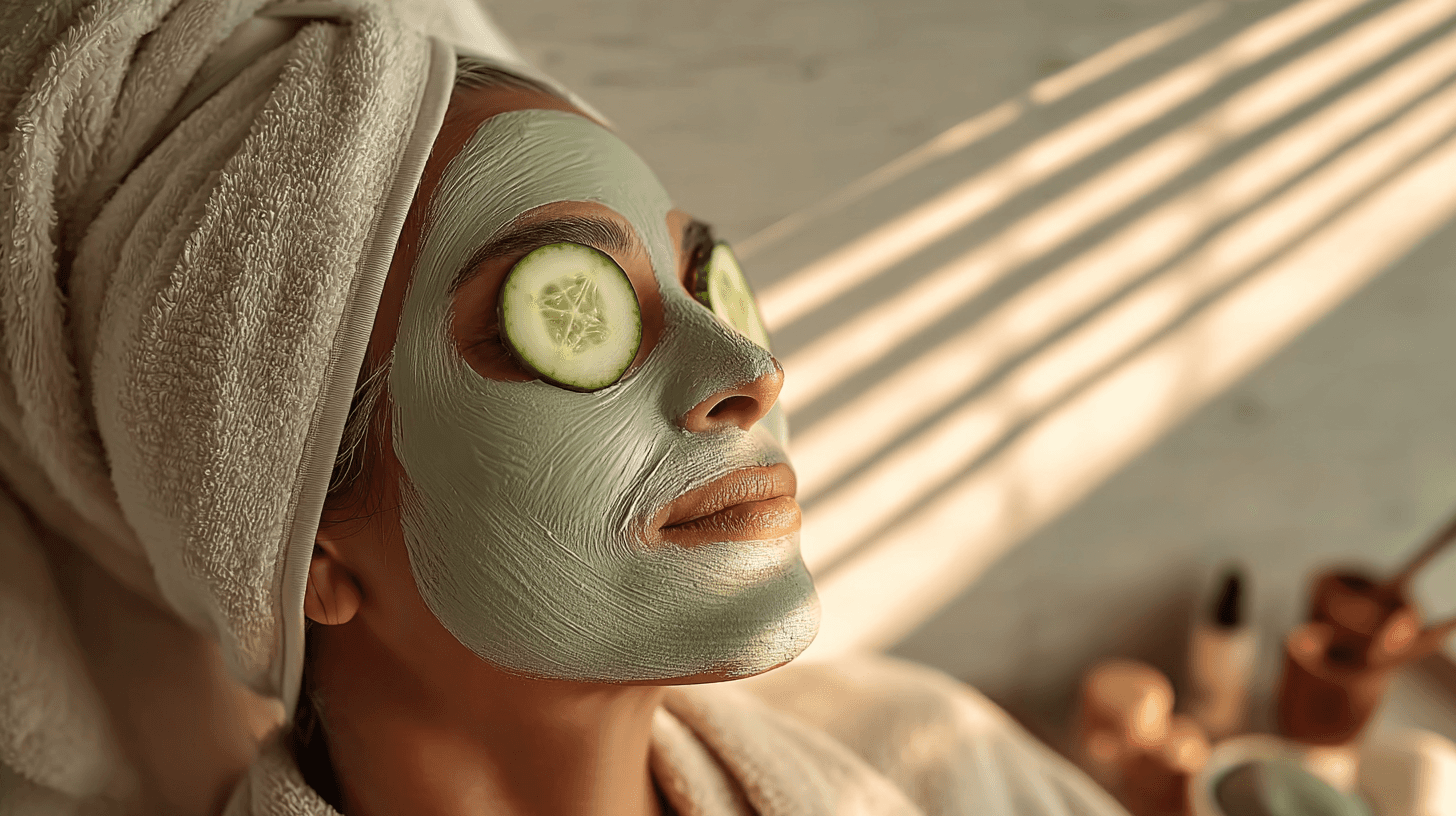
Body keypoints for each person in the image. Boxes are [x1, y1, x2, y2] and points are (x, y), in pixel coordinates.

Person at [0, 2, 1139, 815]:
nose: (750, 369)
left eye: (702, 280)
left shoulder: (933, 762)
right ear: (304, 554)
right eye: (575, 312)